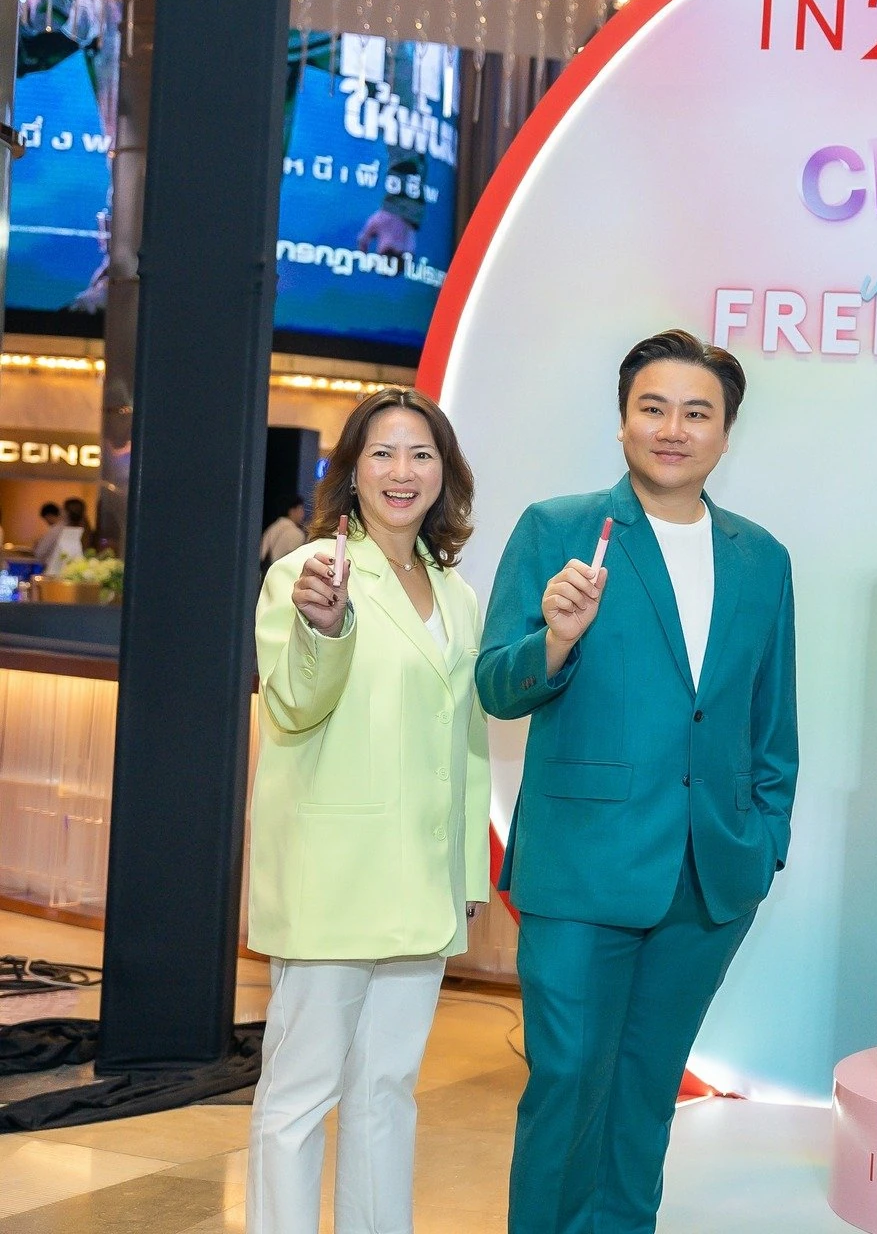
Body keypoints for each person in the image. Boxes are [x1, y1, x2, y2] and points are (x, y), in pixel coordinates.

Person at [479, 328, 798, 1234]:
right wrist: (555, 639)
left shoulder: (760, 557)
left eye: (697, 413)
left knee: (648, 1095)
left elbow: (772, 721)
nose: (673, 429)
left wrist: (764, 840)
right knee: (568, 1086)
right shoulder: (559, 528)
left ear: (725, 433)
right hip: (584, 870)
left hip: (709, 878)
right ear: (622, 423)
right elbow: (496, 685)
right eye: (652, 408)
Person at [244, 388, 491, 1234]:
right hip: (333, 880)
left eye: (421, 454)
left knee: (387, 1092)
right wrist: (326, 628)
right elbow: (293, 705)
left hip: (422, 884)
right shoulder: (307, 573)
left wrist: (465, 873)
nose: (401, 471)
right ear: (350, 471)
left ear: (444, 473)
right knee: (299, 1095)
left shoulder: (455, 592)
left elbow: (466, 742)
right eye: (381, 452)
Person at [260, 495, 309, 573]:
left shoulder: (273, 527)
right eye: (300, 509)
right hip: (281, 574)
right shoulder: (295, 533)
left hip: (265, 573)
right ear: (291, 511)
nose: (303, 514)